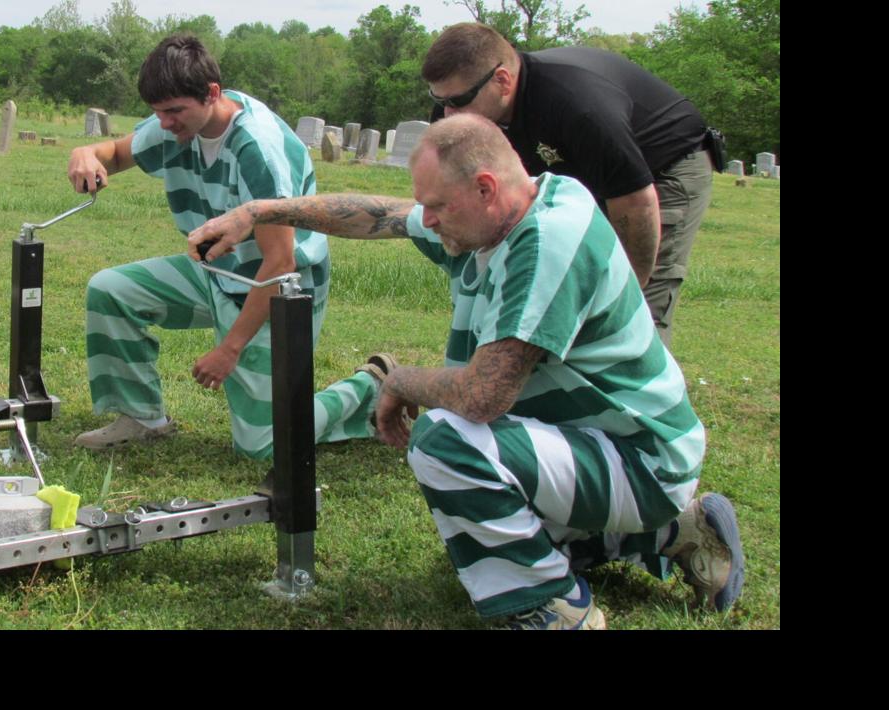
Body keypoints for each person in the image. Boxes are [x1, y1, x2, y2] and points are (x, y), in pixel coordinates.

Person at [188, 115, 744, 628]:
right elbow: (380, 216)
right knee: (485, 541)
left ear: (484, 188)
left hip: (642, 457)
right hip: (602, 443)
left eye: (437, 207)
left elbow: (482, 397)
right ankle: (677, 532)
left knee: (446, 442)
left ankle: (555, 608)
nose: (424, 220)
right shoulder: (503, 212)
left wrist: (400, 380)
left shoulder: (546, 243)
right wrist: (259, 213)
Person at [64, 33, 385, 456]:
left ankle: (373, 388)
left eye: (174, 111)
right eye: (158, 112)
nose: (164, 123)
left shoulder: (256, 149)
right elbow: (117, 154)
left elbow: (281, 262)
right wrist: (85, 153)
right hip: (216, 272)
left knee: (264, 443)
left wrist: (228, 350)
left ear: (212, 94)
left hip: (280, 288)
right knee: (111, 290)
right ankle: (141, 418)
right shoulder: (175, 124)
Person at [421, 22, 719, 347]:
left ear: (502, 81)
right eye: (440, 101)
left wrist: (619, 293)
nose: (448, 114)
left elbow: (635, 202)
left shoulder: (576, 103)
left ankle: (640, 390)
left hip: (662, 167)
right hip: (586, 174)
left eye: (458, 101)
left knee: (633, 312)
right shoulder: (458, 110)